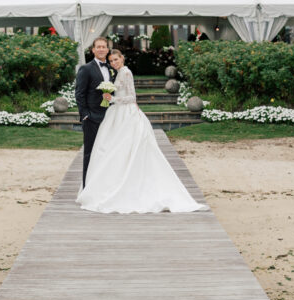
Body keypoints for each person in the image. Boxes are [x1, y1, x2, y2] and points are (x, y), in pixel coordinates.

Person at [77, 50, 208, 214]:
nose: (114, 63)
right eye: (111, 61)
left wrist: (113, 99)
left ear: (122, 58)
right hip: (117, 113)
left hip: (126, 114)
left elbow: (132, 97)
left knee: (123, 147)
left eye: (116, 59)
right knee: (113, 148)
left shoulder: (126, 73)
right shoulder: (118, 73)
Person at [75, 36, 114, 185]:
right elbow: (79, 93)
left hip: (109, 117)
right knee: (90, 153)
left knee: (107, 152)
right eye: (98, 47)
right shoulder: (86, 68)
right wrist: (85, 115)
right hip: (92, 118)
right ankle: (87, 187)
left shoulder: (111, 68)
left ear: (107, 50)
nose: (101, 49)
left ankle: (103, 185)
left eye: (104, 47)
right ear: (93, 50)